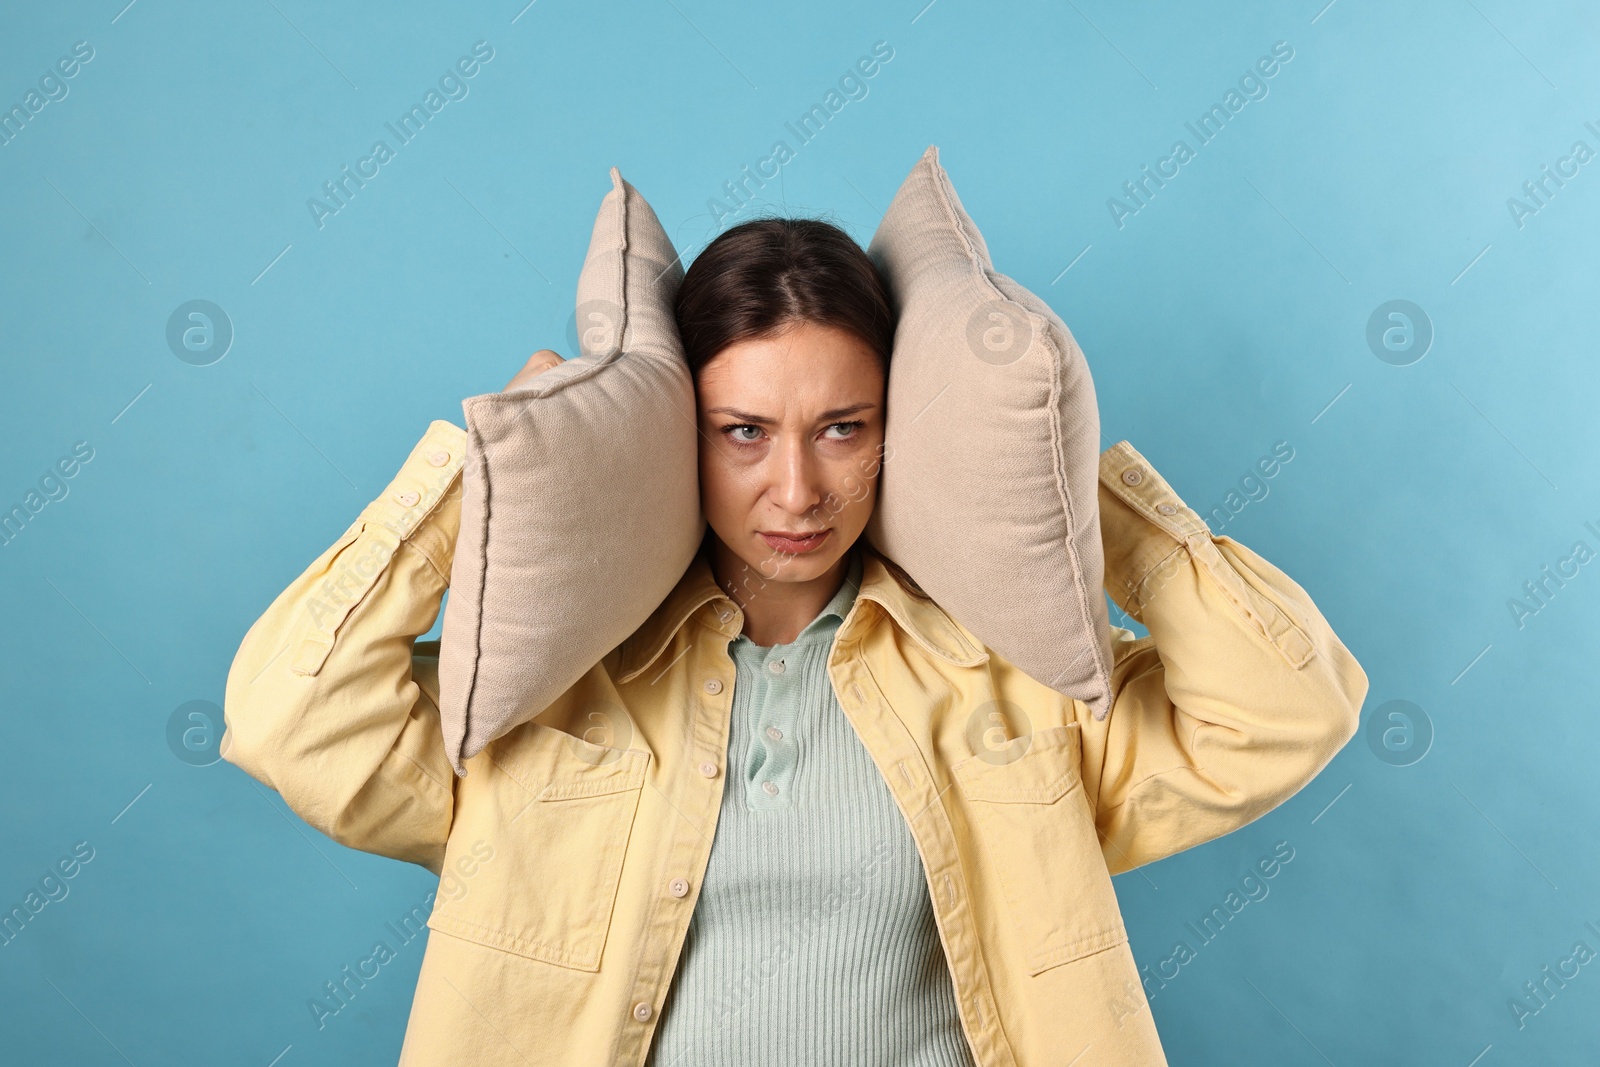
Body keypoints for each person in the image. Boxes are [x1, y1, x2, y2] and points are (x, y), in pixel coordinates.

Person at [221, 217, 1368, 1067]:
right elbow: (288, 720)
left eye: (841, 427)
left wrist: (1060, 478)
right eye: (741, 431)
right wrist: (475, 478)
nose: (796, 487)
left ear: (896, 428)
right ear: (677, 436)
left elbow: (1287, 708)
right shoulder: (550, 692)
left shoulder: (1009, 684)